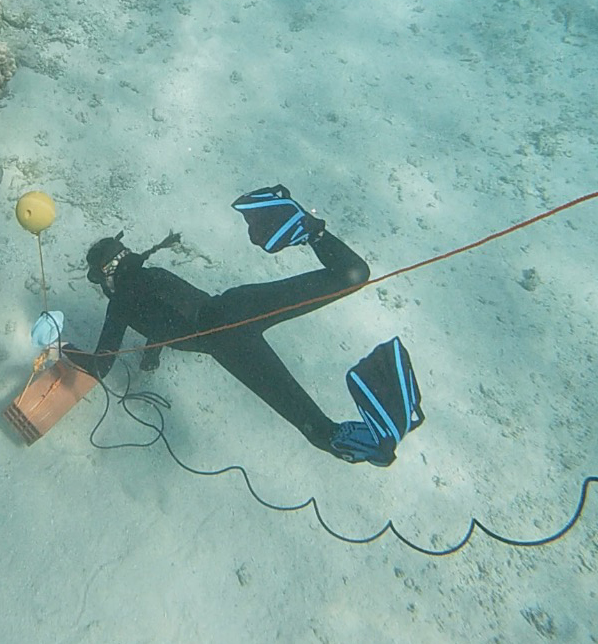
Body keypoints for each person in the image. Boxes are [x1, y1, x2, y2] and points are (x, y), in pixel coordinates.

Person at [62, 185, 413, 466]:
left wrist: (65, 349)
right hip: (235, 303)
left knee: (320, 433)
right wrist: (151, 353)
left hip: (226, 341)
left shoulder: (120, 306)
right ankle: (312, 232)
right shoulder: (152, 273)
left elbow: (101, 365)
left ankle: (370, 444)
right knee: (351, 276)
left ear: (105, 278)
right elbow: (164, 310)